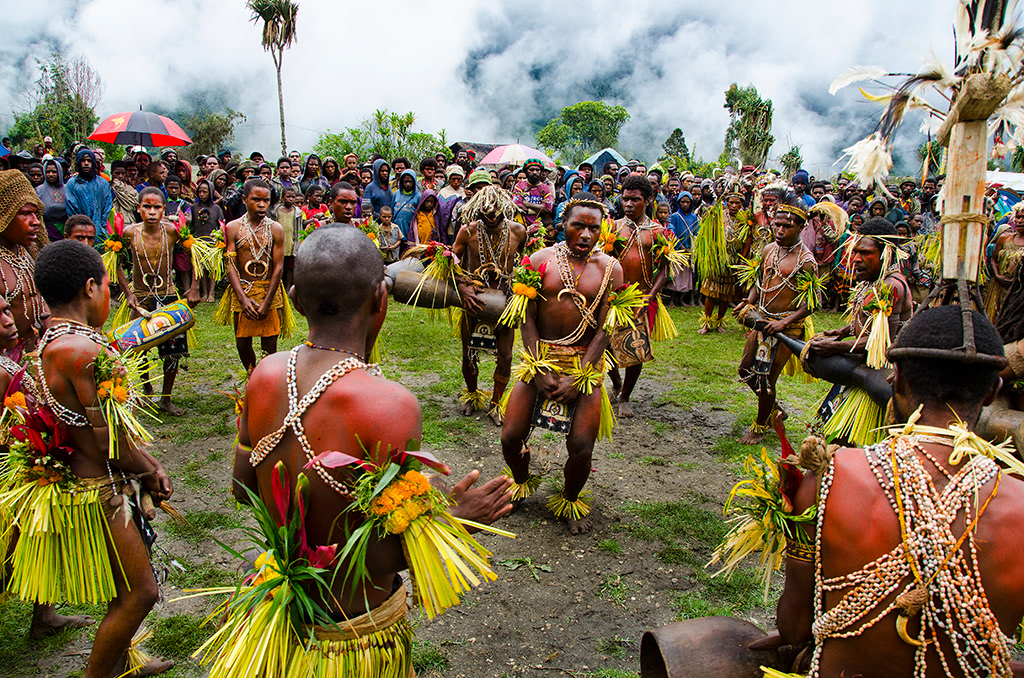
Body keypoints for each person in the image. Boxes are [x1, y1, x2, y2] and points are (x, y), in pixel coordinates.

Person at [228, 226, 513, 676]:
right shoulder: (390, 405)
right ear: (382, 300)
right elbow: (376, 555)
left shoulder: (264, 375)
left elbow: (243, 490)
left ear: (297, 300)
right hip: (353, 635)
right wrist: (455, 519)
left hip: (280, 620)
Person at [768, 305, 1024, 678]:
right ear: (991, 393)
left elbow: (794, 628)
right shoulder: (1018, 505)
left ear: (896, 379)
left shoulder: (826, 480)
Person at [18, 239, 173, 678]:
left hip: (93, 480)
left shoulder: (54, 339)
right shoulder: (85, 351)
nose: (111, 296)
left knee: (123, 585)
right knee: (139, 594)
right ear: (91, 287)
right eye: (109, 286)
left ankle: (122, 664)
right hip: (101, 489)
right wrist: (149, 467)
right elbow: (106, 441)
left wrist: (141, 463)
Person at [500, 193, 623, 535]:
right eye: (578, 226)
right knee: (510, 436)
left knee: (581, 447)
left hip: (585, 366)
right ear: (562, 225)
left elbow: (605, 329)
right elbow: (526, 317)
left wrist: (581, 376)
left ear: (602, 230)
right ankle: (522, 483)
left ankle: (570, 498)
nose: (586, 234)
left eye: (593, 228)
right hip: (540, 360)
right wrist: (537, 366)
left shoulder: (611, 270)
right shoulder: (539, 260)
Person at [806, 218, 913, 446]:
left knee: (852, 444)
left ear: (886, 254)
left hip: (878, 374)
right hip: (862, 367)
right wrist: (843, 331)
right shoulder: (873, 281)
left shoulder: (891, 286)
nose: (855, 259)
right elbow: (870, 323)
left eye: (865, 253)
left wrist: (836, 347)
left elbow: (882, 343)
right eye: (855, 252)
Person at [734, 193, 818, 444]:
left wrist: (784, 323)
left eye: (787, 226)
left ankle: (760, 427)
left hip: (786, 328)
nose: (780, 230)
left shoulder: (806, 262)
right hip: (762, 322)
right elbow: (759, 284)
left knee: (765, 377)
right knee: (745, 370)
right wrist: (749, 301)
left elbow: (811, 303)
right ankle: (774, 409)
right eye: (777, 224)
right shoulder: (769, 249)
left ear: (801, 227)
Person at [116, 187, 199, 415]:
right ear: (138, 208)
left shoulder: (172, 231)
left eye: (156, 207)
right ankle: (145, 387)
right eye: (147, 207)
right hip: (140, 296)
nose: (152, 212)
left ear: (164, 209)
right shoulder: (129, 233)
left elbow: (195, 254)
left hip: (167, 295)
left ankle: (166, 398)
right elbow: (115, 262)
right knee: (137, 347)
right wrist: (128, 292)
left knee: (172, 350)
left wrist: (193, 286)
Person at [452, 186, 527, 425]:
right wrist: (464, 287)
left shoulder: (518, 231)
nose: (491, 214)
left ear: (505, 207)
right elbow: (451, 263)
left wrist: (519, 287)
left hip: (505, 301)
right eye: (486, 210)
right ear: (477, 209)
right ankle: (472, 396)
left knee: (505, 355)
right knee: (469, 352)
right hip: (474, 298)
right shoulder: (467, 232)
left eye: (496, 209)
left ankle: (496, 405)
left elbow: (527, 263)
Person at [606, 174, 671, 418]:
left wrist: (650, 297)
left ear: (648, 200)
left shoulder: (657, 232)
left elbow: (664, 270)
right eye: (625, 199)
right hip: (614, 297)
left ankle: (625, 397)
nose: (629, 204)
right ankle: (616, 383)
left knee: (636, 348)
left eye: (635, 200)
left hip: (643, 298)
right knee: (606, 346)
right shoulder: (612, 228)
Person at [218, 178, 288, 372]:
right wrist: (242, 298)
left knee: (269, 345)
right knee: (242, 343)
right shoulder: (232, 228)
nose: (262, 204)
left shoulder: (276, 229)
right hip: (243, 291)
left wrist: (267, 301)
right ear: (243, 199)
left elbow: (278, 267)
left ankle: (267, 382)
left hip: (268, 291)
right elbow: (230, 263)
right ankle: (252, 376)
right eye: (256, 199)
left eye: (266, 200)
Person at [0, 170, 51, 356]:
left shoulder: (29, 252)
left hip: (37, 354)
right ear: (4, 215)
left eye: (36, 214)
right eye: (26, 213)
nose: (35, 222)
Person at [984, 202, 1024, 320]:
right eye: (1018, 217)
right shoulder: (1004, 238)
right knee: (995, 318)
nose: (1021, 220)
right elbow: (993, 259)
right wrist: (997, 275)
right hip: (999, 287)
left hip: (1018, 291)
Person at [65, 148, 112, 241]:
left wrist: (103, 229)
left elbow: (107, 209)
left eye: (89, 161)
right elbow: (72, 209)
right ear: (78, 162)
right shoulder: (72, 184)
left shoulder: (103, 183)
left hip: (101, 234)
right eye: (83, 160)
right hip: (79, 233)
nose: (86, 163)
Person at [666, 190, 698, 306]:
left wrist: (692, 247)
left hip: (689, 251)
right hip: (678, 250)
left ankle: (680, 299)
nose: (685, 204)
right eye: (683, 202)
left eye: (688, 202)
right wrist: (680, 245)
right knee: (675, 275)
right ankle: (671, 300)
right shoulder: (675, 216)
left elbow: (696, 232)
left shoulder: (694, 218)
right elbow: (672, 231)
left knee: (685, 276)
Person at [512, 159, 554, 229]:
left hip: (540, 226)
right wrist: (540, 207)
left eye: (537, 170)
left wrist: (527, 204)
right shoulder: (519, 186)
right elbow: (517, 206)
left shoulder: (545, 188)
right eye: (531, 170)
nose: (534, 172)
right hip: (521, 225)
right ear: (526, 171)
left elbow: (548, 209)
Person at [36, 158, 66, 241]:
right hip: (46, 229)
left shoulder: (67, 189)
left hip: (64, 229)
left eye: (54, 171)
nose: (51, 174)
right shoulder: (39, 190)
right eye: (48, 172)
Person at [391, 169, 420, 240]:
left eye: (410, 181)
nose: (408, 184)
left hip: (409, 232)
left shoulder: (418, 196)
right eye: (405, 181)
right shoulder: (397, 193)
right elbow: (391, 211)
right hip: (396, 232)